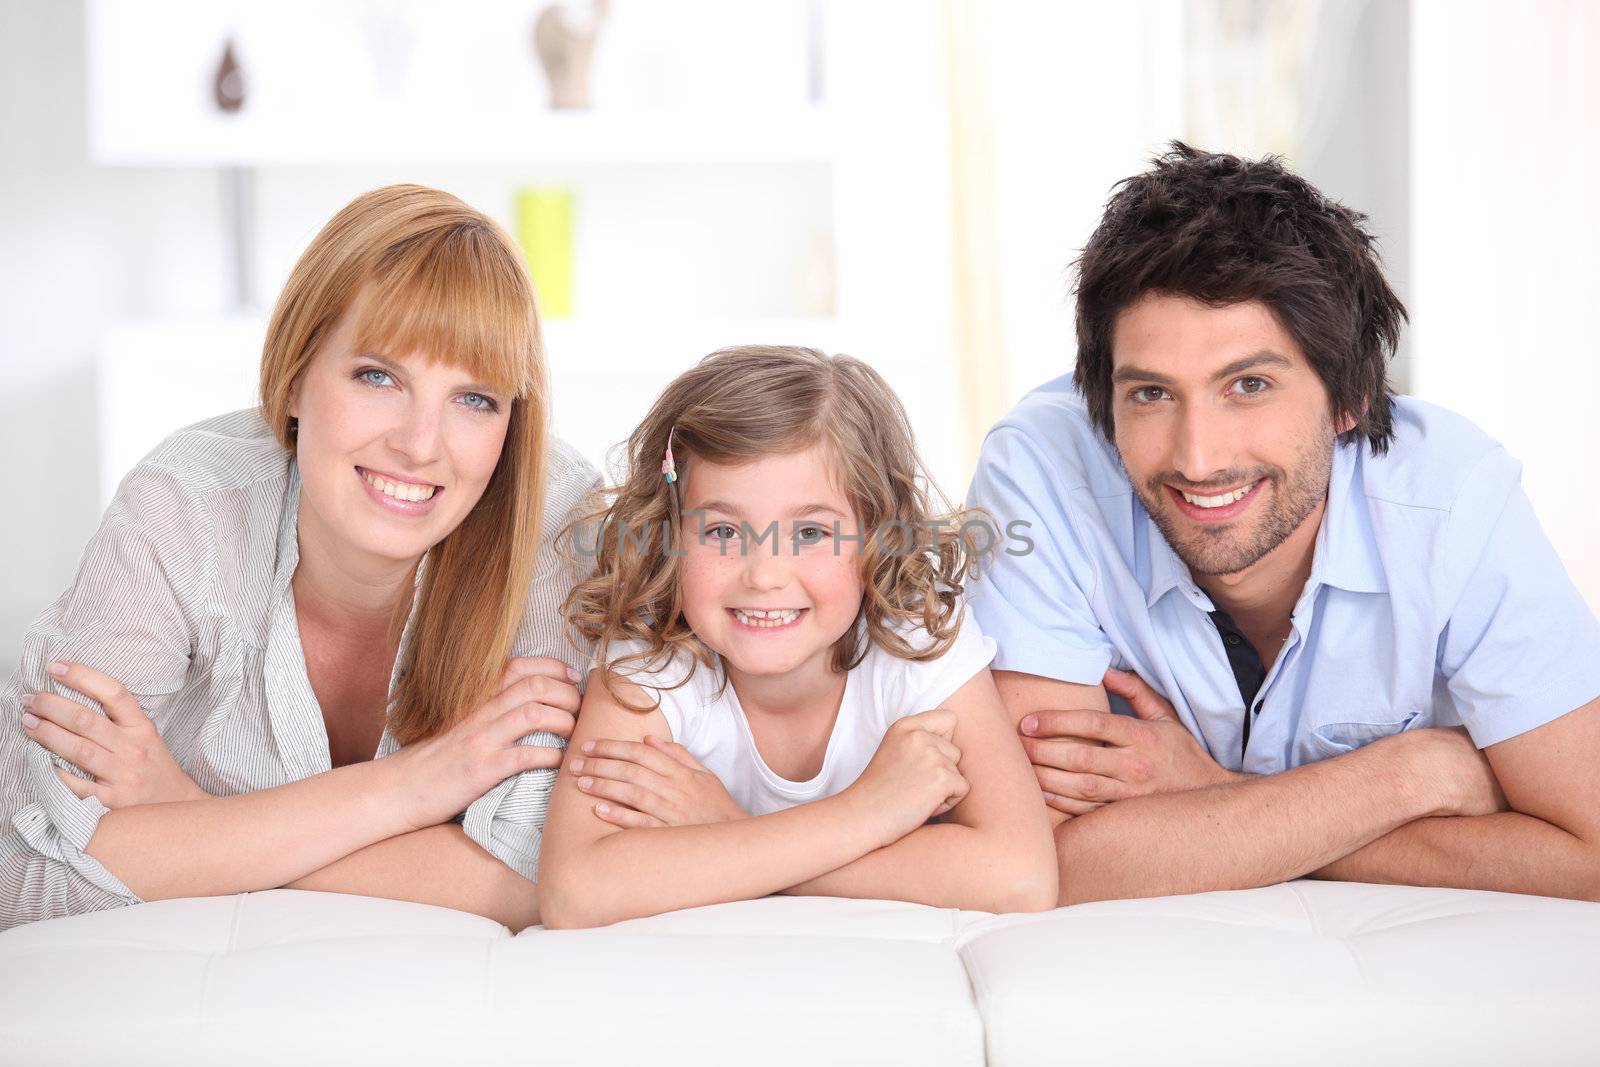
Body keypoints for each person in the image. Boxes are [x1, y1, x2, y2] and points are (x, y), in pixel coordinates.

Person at [966, 143, 1600, 905]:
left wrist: (1214, 795)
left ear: (1348, 397)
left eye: (1249, 384)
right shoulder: (1042, 471)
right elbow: (1049, 858)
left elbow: (1588, 852)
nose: (1197, 458)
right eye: (1151, 395)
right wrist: (1408, 775)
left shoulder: (1452, 498)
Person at [2, 184, 598, 931]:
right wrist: (408, 789)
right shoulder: (185, 507)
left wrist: (193, 817)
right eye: (378, 376)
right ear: (291, 377)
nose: (420, 443)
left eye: (475, 398)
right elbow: (25, 868)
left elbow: (554, 879)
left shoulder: (552, 522)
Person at [536, 345, 1056, 928]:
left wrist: (731, 830)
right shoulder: (653, 659)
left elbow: (1022, 876)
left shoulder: (915, 642)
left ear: (878, 535)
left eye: (810, 532)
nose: (764, 574)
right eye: (723, 530)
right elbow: (574, 892)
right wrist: (864, 813)